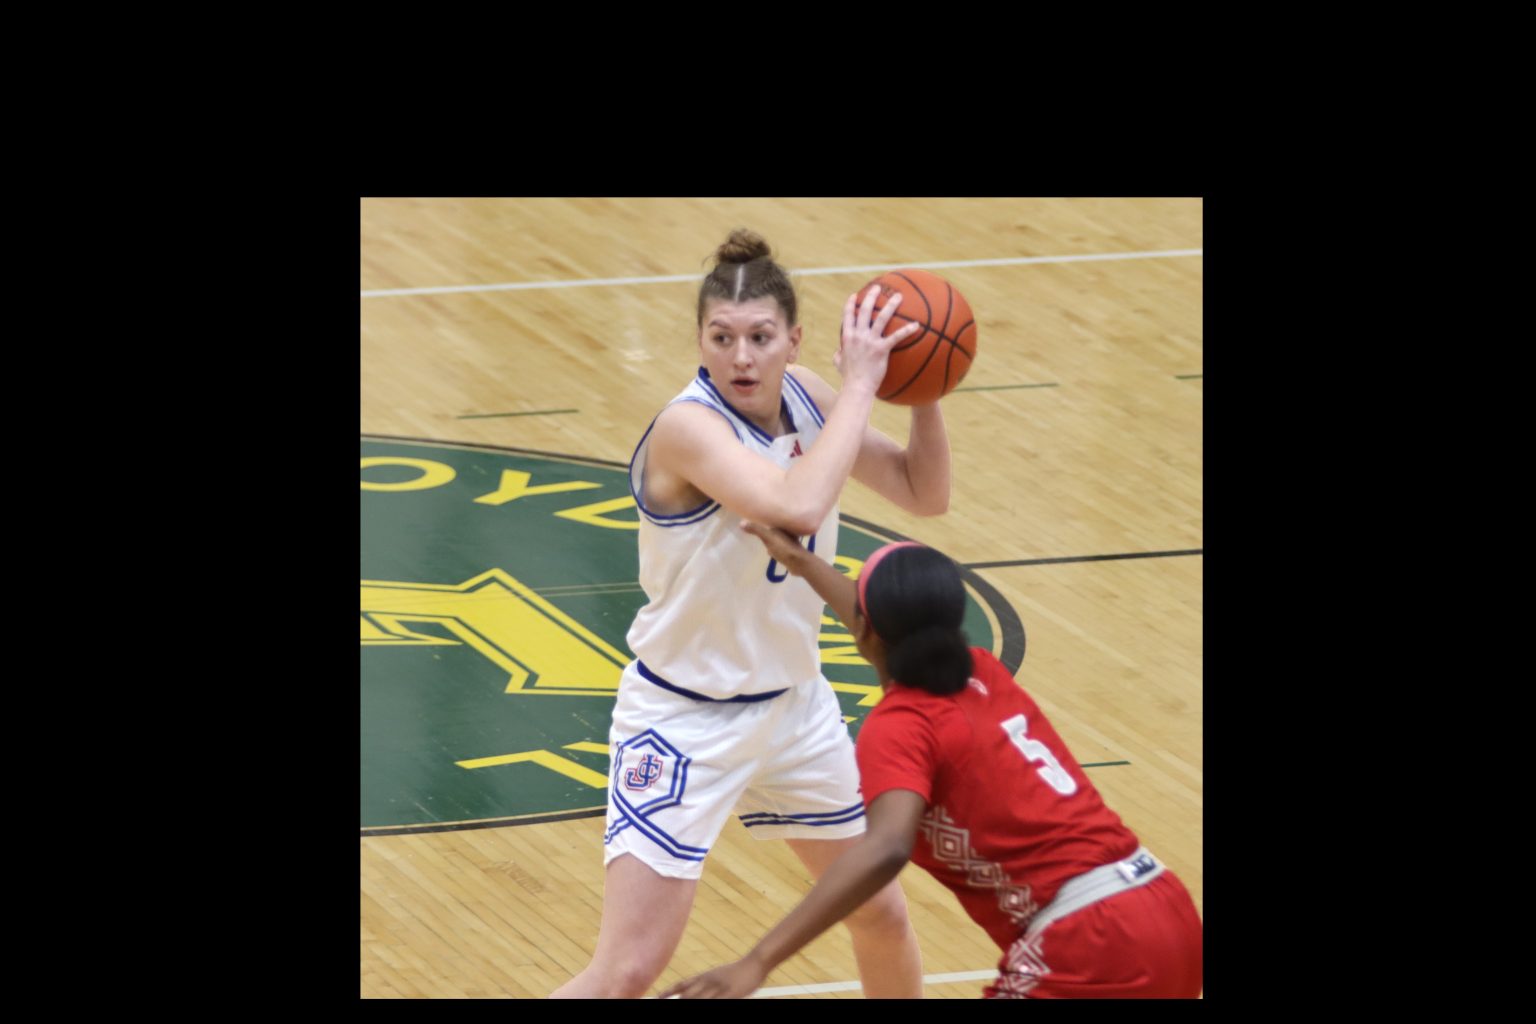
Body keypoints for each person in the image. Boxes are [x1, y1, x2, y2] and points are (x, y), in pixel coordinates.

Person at [549, 229, 951, 999]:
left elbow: (922, 492)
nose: (741, 357)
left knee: (881, 914)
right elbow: (796, 505)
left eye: (761, 338)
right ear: (700, 343)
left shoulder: (809, 396)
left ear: (793, 342)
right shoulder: (687, 429)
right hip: (685, 720)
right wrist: (862, 388)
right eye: (721, 337)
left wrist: (923, 387)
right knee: (628, 969)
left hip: (794, 709)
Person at [662, 532, 1204, 999]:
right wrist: (803, 563)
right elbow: (878, 619)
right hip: (1164, 909)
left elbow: (887, 848)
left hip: (1091, 942)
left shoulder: (901, 727)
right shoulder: (984, 671)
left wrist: (758, 960)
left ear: (865, 630)